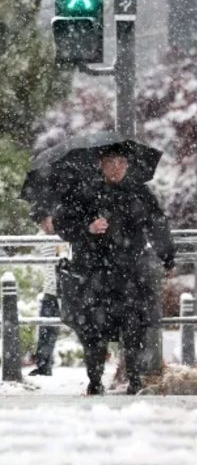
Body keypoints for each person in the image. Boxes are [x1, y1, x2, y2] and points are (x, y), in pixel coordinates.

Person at [54, 146, 174, 395]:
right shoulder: (84, 191)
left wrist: (167, 257)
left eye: (121, 162)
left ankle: (134, 378)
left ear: (128, 165)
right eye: (111, 162)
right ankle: (95, 379)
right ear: (101, 163)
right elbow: (62, 223)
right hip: (93, 271)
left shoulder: (139, 192)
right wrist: (88, 228)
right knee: (93, 329)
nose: (116, 167)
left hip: (130, 272)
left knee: (133, 326)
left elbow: (157, 225)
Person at [28, 207, 69, 377]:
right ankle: (43, 366)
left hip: (69, 289)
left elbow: (65, 258)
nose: (44, 226)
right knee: (46, 327)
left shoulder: (66, 232)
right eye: (40, 224)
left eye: (46, 221)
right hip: (50, 289)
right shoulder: (41, 238)